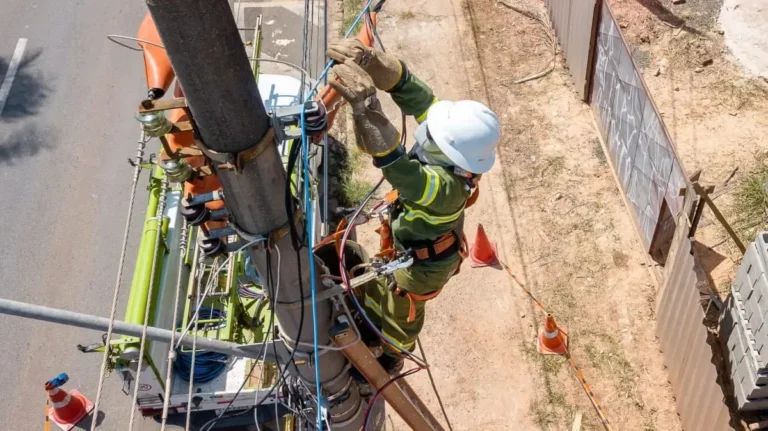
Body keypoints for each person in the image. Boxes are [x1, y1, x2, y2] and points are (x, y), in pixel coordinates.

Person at [327, 39, 501, 373]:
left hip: (424, 266)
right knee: (389, 286)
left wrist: (365, 108)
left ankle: (393, 353)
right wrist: (373, 63)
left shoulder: (446, 188)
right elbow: (417, 95)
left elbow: (397, 167)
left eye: (432, 134)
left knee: (402, 305)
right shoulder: (453, 151)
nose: (426, 132)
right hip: (419, 243)